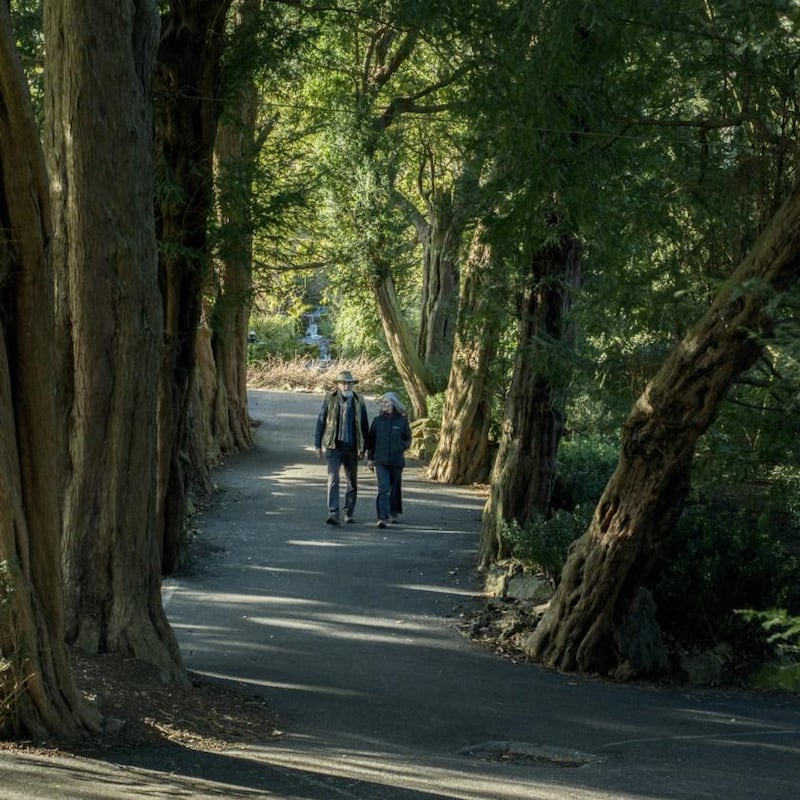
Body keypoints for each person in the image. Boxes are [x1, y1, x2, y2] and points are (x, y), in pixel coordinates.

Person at [314, 370, 370, 525]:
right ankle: (333, 513)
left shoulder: (359, 400)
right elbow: (320, 422)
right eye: (343, 383)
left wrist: (364, 447)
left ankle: (348, 511)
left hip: (352, 448)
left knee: (352, 481)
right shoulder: (329, 399)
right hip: (333, 447)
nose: (346, 385)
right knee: (334, 478)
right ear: (338, 385)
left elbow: (364, 425)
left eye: (349, 383)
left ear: (353, 385)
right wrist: (317, 445)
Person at [366, 392, 412, 529]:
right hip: (381, 461)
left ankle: (394, 512)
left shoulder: (402, 421)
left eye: (386, 402)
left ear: (394, 404)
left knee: (395, 488)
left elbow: (408, 438)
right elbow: (371, 441)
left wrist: (401, 447)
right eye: (382, 402)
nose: (384, 405)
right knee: (383, 488)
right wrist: (370, 458)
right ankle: (382, 517)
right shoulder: (377, 421)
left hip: (397, 460)